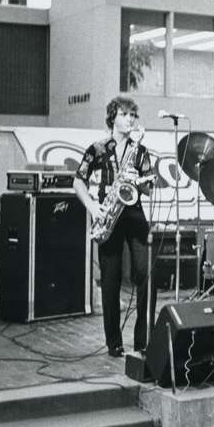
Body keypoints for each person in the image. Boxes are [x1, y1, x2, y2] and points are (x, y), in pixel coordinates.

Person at [73, 96, 154, 358]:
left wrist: (139, 182)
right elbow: (78, 182)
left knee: (145, 275)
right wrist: (93, 207)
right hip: (108, 214)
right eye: (125, 114)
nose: (130, 119)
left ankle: (143, 341)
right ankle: (114, 343)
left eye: (133, 115)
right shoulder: (96, 148)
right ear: (112, 118)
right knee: (110, 281)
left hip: (134, 214)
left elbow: (149, 188)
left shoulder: (140, 150)